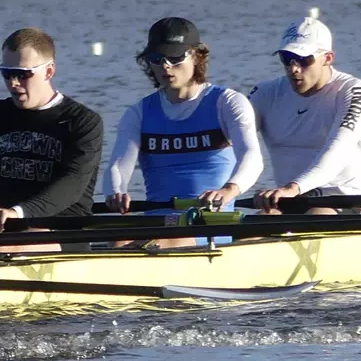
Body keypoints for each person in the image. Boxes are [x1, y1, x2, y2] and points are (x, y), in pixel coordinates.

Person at [103, 17, 263, 248]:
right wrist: (116, 192)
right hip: (160, 224)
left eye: (175, 57)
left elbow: (252, 157)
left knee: (159, 241)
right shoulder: (138, 113)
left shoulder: (227, 103)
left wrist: (229, 190)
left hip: (209, 223)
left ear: (197, 56)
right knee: (120, 239)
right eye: (157, 59)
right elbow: (118, 166)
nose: (166, 66)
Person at [0, 27, 104, 253]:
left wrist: (18, 212)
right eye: (6, 73)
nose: (13, 83)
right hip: (6, 229)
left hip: (64, 235)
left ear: (49, 71)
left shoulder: (82, 122)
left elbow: (72, 185)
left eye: (22, 74)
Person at [249, 15, 361, 214]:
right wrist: (229, 189)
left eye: (304, 60)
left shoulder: (353, 91)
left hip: (341, 204)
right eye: (287, 59)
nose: (294, 69)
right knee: (262, 219)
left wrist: (293, 188)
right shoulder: (266, 93)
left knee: (316, 213)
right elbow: (229, 141)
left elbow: (337, 152)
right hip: (288, 201)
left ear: (328, 58)